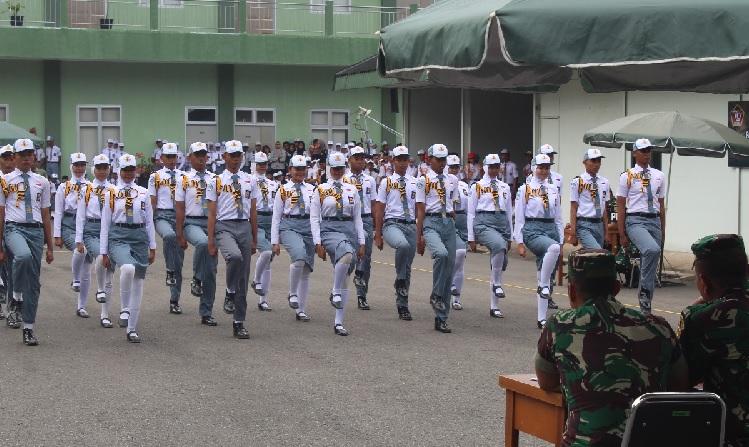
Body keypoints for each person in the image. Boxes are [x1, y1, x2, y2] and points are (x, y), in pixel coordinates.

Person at [536, 249, 688, 447]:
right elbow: (680, 384)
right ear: (616, 288)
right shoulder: (658, 326)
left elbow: (546, 381)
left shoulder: (560, 325)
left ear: (571, 290)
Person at [677, 234, 749, 447]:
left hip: (732, 437)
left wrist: (699, 309)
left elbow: (681, 381)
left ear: (703, 282)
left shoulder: (703, 319)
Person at [0, 138, 55, 345]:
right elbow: (1, 213)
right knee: (21, 256)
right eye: (21, 155)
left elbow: (46, 213)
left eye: (29, 155)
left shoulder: (42, 182)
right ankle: (15, 298)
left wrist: (50, 247)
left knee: (34, 283)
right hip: (14, 227)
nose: (25, 158)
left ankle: (29, 328)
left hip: (36, 231)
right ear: (14, 157)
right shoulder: (6, 181)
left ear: (34, 157)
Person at [101, 154, 157, 343]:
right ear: (119, 171)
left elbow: (149, 221)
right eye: (125, 170)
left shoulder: (143, 192)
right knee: (127, 268)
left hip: (139, 237)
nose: (128, 174)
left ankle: (132, 329)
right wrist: (104, 251)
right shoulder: (111, 193)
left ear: (136, 171)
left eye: (131, 170)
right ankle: (124, 308)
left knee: (138, 283)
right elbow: (105, 225)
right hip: (118, 236)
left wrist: (153, 245)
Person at [206, 140, 258, 339]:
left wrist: (254, 237)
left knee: (243, 277)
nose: (235, 159)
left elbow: (253, 210)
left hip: (244, 225)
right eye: (232, 155)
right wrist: (210, 241)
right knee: (234, 257)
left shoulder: (249, 180)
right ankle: (229, 291)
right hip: (224, 226)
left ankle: (239, 322)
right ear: (224, 157)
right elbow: (211, 214)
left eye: (238, 155)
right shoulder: (216, 181)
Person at [311, 152, 365, 336]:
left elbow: (358, 217)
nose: (337, 171)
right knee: (347, 255)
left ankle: (338, 322)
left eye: (340, 168)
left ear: (344, 169)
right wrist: (317, 241)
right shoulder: (320, 189)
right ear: (328, 169)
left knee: (346, 277)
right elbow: (314, 218)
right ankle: (334, 291)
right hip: (329, 228)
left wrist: (362, 241)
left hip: (349, 228)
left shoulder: (352, 190)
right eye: (334, 168)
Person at [616, 138, 666, 314]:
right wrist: (621, 233)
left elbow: (661, 204)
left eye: (649, 150)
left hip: (654, 220)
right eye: (643, 150)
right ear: (634, 153)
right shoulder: (627, 176)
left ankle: (646, 305)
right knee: (650, 250)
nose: (646, 154)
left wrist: (663, 229)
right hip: (635, 219)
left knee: (652, 258)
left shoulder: (659, 175)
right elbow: (621, 205)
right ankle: (644, 298)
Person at [515, 153, 564, 328]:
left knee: (545, 270)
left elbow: (558, 217)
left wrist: (562, 239)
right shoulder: (525, 189)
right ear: (534, 168)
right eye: (541, 167)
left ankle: (541, 318)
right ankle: (544, 286)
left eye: (547, 167)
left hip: (551, 228)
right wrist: (519, 242)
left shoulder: (553, 189)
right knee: (552, 250)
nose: (544, 170)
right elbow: (519, 217)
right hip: (533, 229)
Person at [176, 142, 219, 326]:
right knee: (202, 243)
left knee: (211, 270)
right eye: (197, 154)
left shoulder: (215, 178)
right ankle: (196, 277)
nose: (201, 157)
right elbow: (179, 208)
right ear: (189, 158)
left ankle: (206, 312)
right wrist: (179, 234)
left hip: (212, 223)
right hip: (192, 221)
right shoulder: (183, 179)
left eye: (204, 154)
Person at [416, 143, 457, 333]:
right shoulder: (423, 180)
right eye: (437, 159)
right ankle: (436, 293)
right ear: (429, 160)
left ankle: (442, 317)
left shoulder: (453, 180)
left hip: (448, 223)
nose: (441, 162)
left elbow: (452, 206)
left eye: (444, 159)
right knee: (440, 254)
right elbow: (420, 209)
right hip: (431, 222)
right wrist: (419, 236)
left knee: (449, 268)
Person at [374, 145, 418, 321]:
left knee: (407, 267)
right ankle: (399, 279)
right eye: (398, 160)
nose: (402, 163)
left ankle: (403, 305)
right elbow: (380, 209)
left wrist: (420, 233)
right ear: (393, 161)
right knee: (402, 245)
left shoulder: (415, 182)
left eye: (405, 160)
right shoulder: (386, 182)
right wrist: (378, 234)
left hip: (411, 225)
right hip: (392, 224)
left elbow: (420, 208)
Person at [467, 153, 513, 317]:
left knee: (500, 261)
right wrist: (471, 237)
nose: (493, 170)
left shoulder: (504, 187)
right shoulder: (476, 186)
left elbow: (509, 213)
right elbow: (471, 213)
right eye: (490, 167)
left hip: (501, 222)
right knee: (498, 246)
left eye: (496, 167)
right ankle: (498, 284)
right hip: (483, 221)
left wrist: (510, 236)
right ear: (484, 167)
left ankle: (494, 306)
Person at [271, 154, 316, 322]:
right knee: (298, 256)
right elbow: (276, 216)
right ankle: (292, 293)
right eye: (297, 169)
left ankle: (301, 310)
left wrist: (318, 238)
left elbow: (318, 214)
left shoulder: (312, 189)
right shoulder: (283, 189)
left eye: (303, 169)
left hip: (309, 227)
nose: (300, 172)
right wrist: (275, 241)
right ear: (290, 170)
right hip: (290, 225)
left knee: (306, 268)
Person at [76, 154, 116, 328]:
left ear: (109, 169)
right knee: (101, 258)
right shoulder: (87, 189)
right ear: (93, 169)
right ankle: (96, 292)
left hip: (110, 231)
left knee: (110, 275)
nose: (102, 171)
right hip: (92, 231)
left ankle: (105, 314)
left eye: (105, 168)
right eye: (99, 168)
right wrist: (79, 239)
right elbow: (80, 216)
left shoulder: (114, 189)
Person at [149, 142, 186, 315]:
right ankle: (169, 270)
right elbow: (152, 201)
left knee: (179, 261)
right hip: (163, 216)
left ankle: (174, 300)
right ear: (161, 158)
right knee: (170, 236)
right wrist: (148, 225)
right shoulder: (155, 176)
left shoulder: (184, 176)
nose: (172, 160)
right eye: (168, 157)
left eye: (174, 157)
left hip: (180, 218)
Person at [53, 153, 91, 317]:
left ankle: (81, 306)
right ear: (71, 166)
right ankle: (75, 278)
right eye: (77, 165)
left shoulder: (91, 186)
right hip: (69, 225)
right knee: (80, 250)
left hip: (86, 226)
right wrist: (57, 234)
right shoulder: (64, 187)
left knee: (87, 267)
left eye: (82, 164)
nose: (80, 168)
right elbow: (58, 211)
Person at [343, 145, 377, 310]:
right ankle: (339, 287)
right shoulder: (344, 179)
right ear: (349, 160)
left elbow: (374, 203)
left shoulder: (370, 180)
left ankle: (362, 295)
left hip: (365, 218)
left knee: (366, 257)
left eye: (362, 158)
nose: (359, 162)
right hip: (349, 220)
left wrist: (377, 224)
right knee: (349, 256)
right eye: (356, 158)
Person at [249, 151, 278, 312]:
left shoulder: (272, 184)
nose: (261, 166)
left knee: (269, 260)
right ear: (253, 164)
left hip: (271, 219)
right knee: (266, 252)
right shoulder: (249, 181)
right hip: (256, 219)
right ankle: (256, 280)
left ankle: (263, 299)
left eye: (264, 164)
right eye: (259, 164)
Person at [569, 148, 611, 249]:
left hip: (599, 223)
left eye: (599, 161)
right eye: (593, 161)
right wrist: (573, 232)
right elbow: (573, 208)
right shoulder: (578, 181)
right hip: (584, 224)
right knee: (597, 252)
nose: (596, 164)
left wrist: (607, 232)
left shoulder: (604, 182)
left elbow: (604, 208)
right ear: (584, 162)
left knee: (596, 259)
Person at [445, 155, 470, 310]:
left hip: (463, 220)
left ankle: (456, 297)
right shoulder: (443, 183)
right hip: (449, 219)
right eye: (451, 167)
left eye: (456, 167)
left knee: (461, 263)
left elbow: (469, 208)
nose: (454, 170)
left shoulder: (464, 186)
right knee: (457, 254)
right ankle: (448, 284)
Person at [0, 144, 15, 320]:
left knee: (12, 268)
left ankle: (12, 307)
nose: (8, 162)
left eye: (11, 158)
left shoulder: (18, 180)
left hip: (13, 228)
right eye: (5, 158)